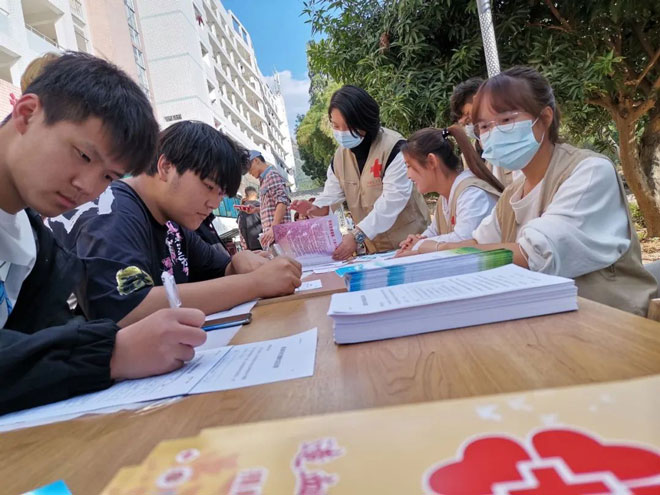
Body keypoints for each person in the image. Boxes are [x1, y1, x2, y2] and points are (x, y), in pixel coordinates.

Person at [0, 52, 208, 414]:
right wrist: (110, 353)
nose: (88, 187)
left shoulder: (35, 245)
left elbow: (39, 341)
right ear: (27, 113)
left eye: (109, 176)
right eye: (83, 156)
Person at [431, 66, 657, 316]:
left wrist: (440, 252)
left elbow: (534, 254)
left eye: (506, 120)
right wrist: (426, 249)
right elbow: (480, 242)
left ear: (545, 118)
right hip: (549, 322)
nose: (493, 133)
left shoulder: (589, 171)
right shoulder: (512, 194)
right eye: (483, 127)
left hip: (613, 322)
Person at [49, 121, 302, 326]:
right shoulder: (111, 213)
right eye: (209, 187)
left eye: (221, 194)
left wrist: (239, 261)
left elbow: (221, 270)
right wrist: (255, 283)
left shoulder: (173, 221)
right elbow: (125, 308)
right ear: (166, 166)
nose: (214, 203)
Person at [291, 85, 429, 259]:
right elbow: (331, 195)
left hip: (411, 246)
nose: (341, 133)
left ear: (365, 121)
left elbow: (392, 202)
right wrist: (316, 208)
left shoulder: (394, 148)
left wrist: (356, 235)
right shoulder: (339, 158)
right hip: (375, 253)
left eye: (348, 126)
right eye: (335, 126)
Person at [396, 126, 503, 255]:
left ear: (431, 161)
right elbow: (434, 231)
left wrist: (419, 245)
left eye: (409, 166)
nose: (408, 175)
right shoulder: (445, 197)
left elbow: (465, 240)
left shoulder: (473, 194)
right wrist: (419, 240)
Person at [450, 77, 519, 187]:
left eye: (468, 115)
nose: (466, 122)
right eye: (464, 120)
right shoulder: (470, 154)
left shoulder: (514, 142)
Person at [244, 151, 291, 247]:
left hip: (278, 235)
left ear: (256, 160)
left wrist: (273, 228)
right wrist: (256, 209)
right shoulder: (265, 179)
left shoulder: (272, 175)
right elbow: (272, 205)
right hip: (273, 235)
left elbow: (282, 202)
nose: (249, 172)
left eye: (249, 168)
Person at [237, 185, 262, 250]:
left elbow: (241, 228)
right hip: (265, 241)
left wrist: (245, 246)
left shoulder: (242, 209)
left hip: (251, 245)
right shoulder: (262, 206)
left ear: (245, 196)